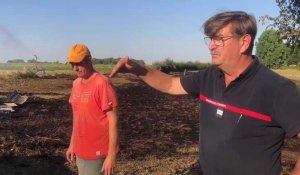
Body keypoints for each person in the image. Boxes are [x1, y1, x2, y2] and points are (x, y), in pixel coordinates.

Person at [109, 11, 300, 175]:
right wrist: (138, 69)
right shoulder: (209, 77)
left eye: (219, 39)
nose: (211, 46)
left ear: (244, 42)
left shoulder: (276, 89)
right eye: (211, 39)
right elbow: (170, 84)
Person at [66, 43, 119, 175]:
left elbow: (113, 120)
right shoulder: (76, 83)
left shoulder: (102, 83)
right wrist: (73, 144)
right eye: (72, 64)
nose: (75, 68)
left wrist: (111, 156)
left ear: (90, 60)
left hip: (98, 152)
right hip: (80, 150)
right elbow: (76, 117)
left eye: (78, 63)